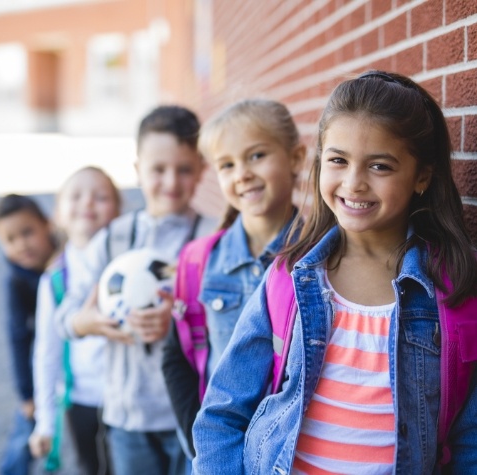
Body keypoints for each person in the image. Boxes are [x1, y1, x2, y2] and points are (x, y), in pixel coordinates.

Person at [191, 70, 477, 474]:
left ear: (422, 177)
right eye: (338, 161)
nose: (354, 183)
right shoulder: (288, 277)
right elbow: (222, 414)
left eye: (379, 166)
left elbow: (470, 440)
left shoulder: (454, 291)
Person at [54, 105, 218, 475]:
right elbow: (64, 320)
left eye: (184, 169)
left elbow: (230, 319)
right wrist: (91, 322)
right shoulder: (113, 238)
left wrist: (179, 316)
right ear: (137, 170)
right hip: (127, 418)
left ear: (201, 171)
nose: (171, 182)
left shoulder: (212, 238)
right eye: (158, 170)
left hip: (193, 416)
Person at [161, 98, 306, 460]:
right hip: (223, 452)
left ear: (296, 158)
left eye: (256, 156)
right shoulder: (199, 261)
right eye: (227, 164)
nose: (241, 173)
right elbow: (176, 358)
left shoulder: (321, 256)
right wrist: (201, 446)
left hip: (292, 450)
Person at [29, 166, 121, 474]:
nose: (88, 203)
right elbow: (47, 352)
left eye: (101, 197)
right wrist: (44, 421)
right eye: (76, 196)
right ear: (57, 213)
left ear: (119, 211)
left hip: (126, 399)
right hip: (80, 398)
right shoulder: (54, 280)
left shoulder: (128, 266)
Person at [0, 194, 57, 475]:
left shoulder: (67, 262)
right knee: (24, 436)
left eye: (27, 232)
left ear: (47, 225)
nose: (21, 244)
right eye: (10, 239)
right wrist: (26, 395)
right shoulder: (17, 280)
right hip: (39, 371)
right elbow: (18, 338)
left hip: (68, 361)